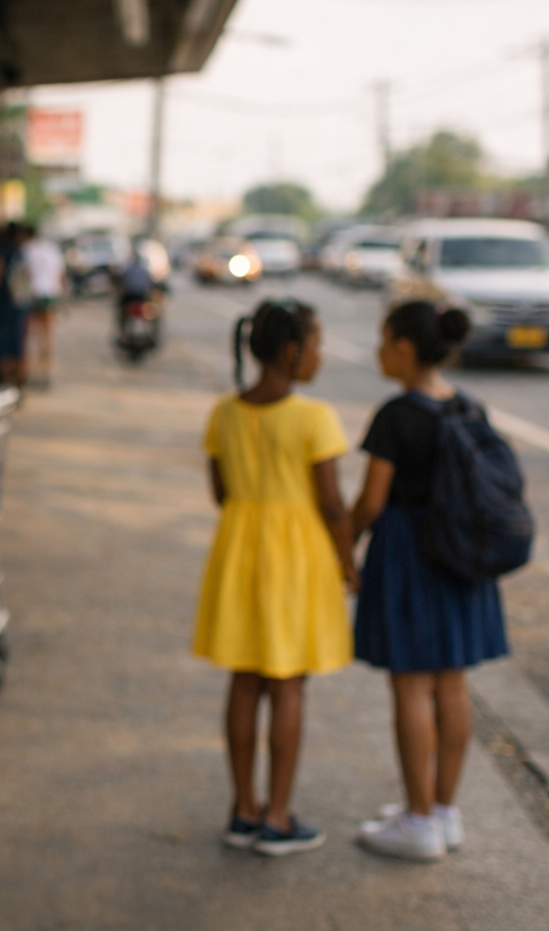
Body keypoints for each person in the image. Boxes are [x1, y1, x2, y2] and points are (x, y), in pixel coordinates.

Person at [194, 299, 357, 857]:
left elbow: (220, 493)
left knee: (245, 679)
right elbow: (333, 505)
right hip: (296, 560)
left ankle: (243, 810)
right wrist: (348, 562)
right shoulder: (314, 418)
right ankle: (279, 817)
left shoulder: (223, 413)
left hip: (240, 552)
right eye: (315, 344)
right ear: (292, 352)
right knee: (288, 684)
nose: (320, 354)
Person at [351, 301, 509, 862]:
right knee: (451, 684)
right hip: (462, 556)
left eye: (382, 338)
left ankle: (417, 821)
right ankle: (443, 810)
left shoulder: (395, 415)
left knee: (411, 687)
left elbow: (371, 502)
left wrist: (343, 543)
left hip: (409, 555)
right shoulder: (469, 406)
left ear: (403, 348)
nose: (378, 349)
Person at [0, 223, 33, 388]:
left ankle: (4, 385)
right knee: (18, 347)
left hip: (3, 306)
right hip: (20, 304)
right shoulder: (19, 251)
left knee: (1, 348)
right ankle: (19, 386)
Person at [21, 230, 65, 389]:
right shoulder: (54, 251)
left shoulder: (28, 249)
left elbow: (25, 273)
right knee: (48, 336)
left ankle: (32, 372)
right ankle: (46, 373)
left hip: (34, 295)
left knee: (32, 334)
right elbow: (60, 276)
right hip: (50, 295)